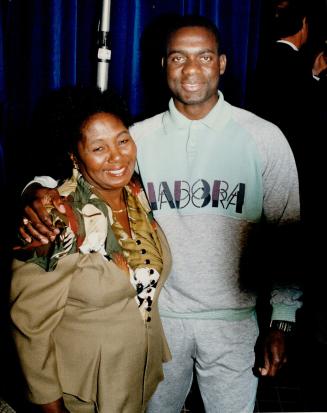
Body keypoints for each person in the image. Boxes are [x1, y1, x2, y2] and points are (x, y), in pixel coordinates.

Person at [18, 15, 302, 413]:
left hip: (234, 322)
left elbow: (288, 234)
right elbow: (86, 169)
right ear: (163, 65)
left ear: (222, 63)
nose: (191, 69)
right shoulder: (139, 137)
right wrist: (36, 188)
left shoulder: (264, 138)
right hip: (156, 320)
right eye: (177, 58)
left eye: (204, 57)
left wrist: (281, 322)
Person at [10, 85, 172, 413]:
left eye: (123, 140)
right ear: (74, 155)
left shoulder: (137, 194)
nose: (117, 156)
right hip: (83, 395)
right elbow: (30, 326)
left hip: (136, 379)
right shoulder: (53, 218)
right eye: (98, 148)